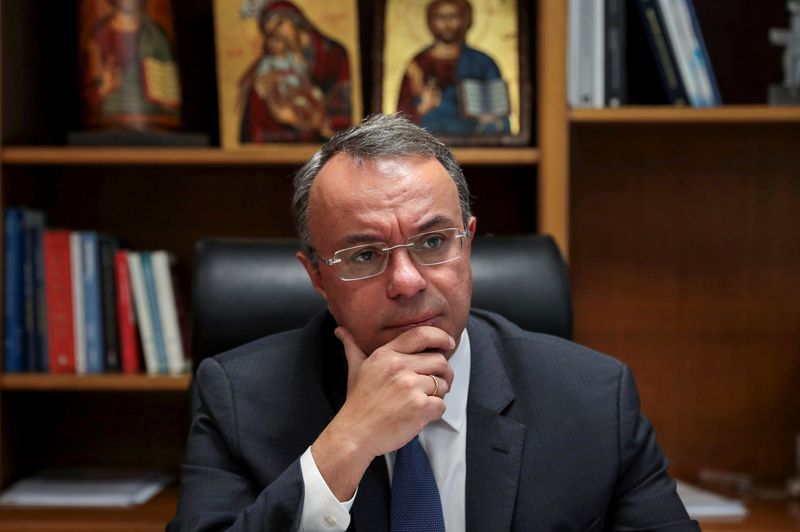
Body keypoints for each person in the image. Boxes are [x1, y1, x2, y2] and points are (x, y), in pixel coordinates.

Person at [170, 114, 698, 531]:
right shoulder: (238, 400)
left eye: (431, 243)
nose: (406, 281)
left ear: (467, 241)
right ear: (316, 277)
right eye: (363, 255)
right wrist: (345, 446)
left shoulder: (594, 400)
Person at [239, 0, 352, 143]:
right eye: (271, 33)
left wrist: (322, 120)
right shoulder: (270, 62)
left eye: (280, 23)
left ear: (296, 20)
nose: (278, 34)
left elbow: (344, 103)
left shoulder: (334, 53)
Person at [397, 0, 510, 135]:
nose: (447, 23)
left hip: (476, 144)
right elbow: (401, 118)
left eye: (453, 16)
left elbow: (498, 116)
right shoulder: (418, 64)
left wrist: (490, 121)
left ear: (465, 20)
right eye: (440, 17)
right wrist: (422, 108)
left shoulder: (482, 62)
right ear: (430, 22)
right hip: (426, 146)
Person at [81, 0, 181, 127]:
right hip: (109, 122)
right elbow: (89, 94)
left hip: (156, 121)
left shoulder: (156, 37)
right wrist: (103, 90)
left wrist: (168, 100)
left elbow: (170, 90)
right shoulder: (99, 38)